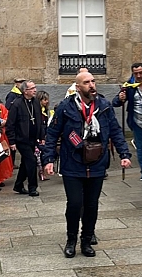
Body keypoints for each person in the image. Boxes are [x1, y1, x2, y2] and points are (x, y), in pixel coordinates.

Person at [43, 71, 131, 257]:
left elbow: (115, 130)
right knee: (75, 203)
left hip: (97, 161)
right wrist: (48, 159)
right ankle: (71, 239)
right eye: (86, 82)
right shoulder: (65, 107)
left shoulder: (104, 106)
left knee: (91, 205)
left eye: (93, 81)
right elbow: (52, 134)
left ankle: (86, 240)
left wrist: (124, 153)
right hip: (72, 163)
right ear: (78, 87)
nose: (92, 85)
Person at [112, 63, 142, 181]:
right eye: (136, 73)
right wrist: (120, 98)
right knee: (140, 148)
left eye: (140, 72)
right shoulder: (129, 86)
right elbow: (115, 102)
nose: (138, 75)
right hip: (137, 121)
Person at [6, 80, 45, 197]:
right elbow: (10, 124)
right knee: (32, 161)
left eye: (35, 87)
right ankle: (33, 187)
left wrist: (41, 136)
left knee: (25, 162)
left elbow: (40, 120)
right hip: (21, 139)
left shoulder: (36, 103)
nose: (35, 90)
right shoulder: (16, 104)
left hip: (33, 138)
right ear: (25, 91)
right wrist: (12, 141)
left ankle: (18, 185)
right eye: (32, 88)